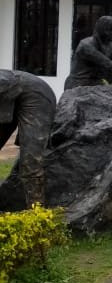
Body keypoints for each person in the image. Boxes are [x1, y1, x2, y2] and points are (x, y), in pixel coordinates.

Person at [0, 69, 56, 206]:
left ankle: (35, 212)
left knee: (31, 160)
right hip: (9, 99)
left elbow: (6, 81)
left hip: (36, 97)